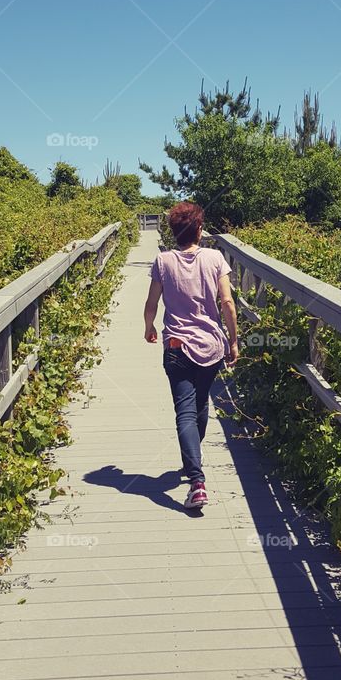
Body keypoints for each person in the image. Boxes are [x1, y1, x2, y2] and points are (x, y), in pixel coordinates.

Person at [143, 202, 238, 512]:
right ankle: (193, 469)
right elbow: (227, 302)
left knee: (185, 409)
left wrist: (149, 328)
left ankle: (196, 479)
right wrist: (233, 341)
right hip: (211, 346)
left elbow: (151, 304)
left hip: (176, 346)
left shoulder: (163, 261)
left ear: (173, 232)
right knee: (200, 405)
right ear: (199, 229)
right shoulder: (214, 258)